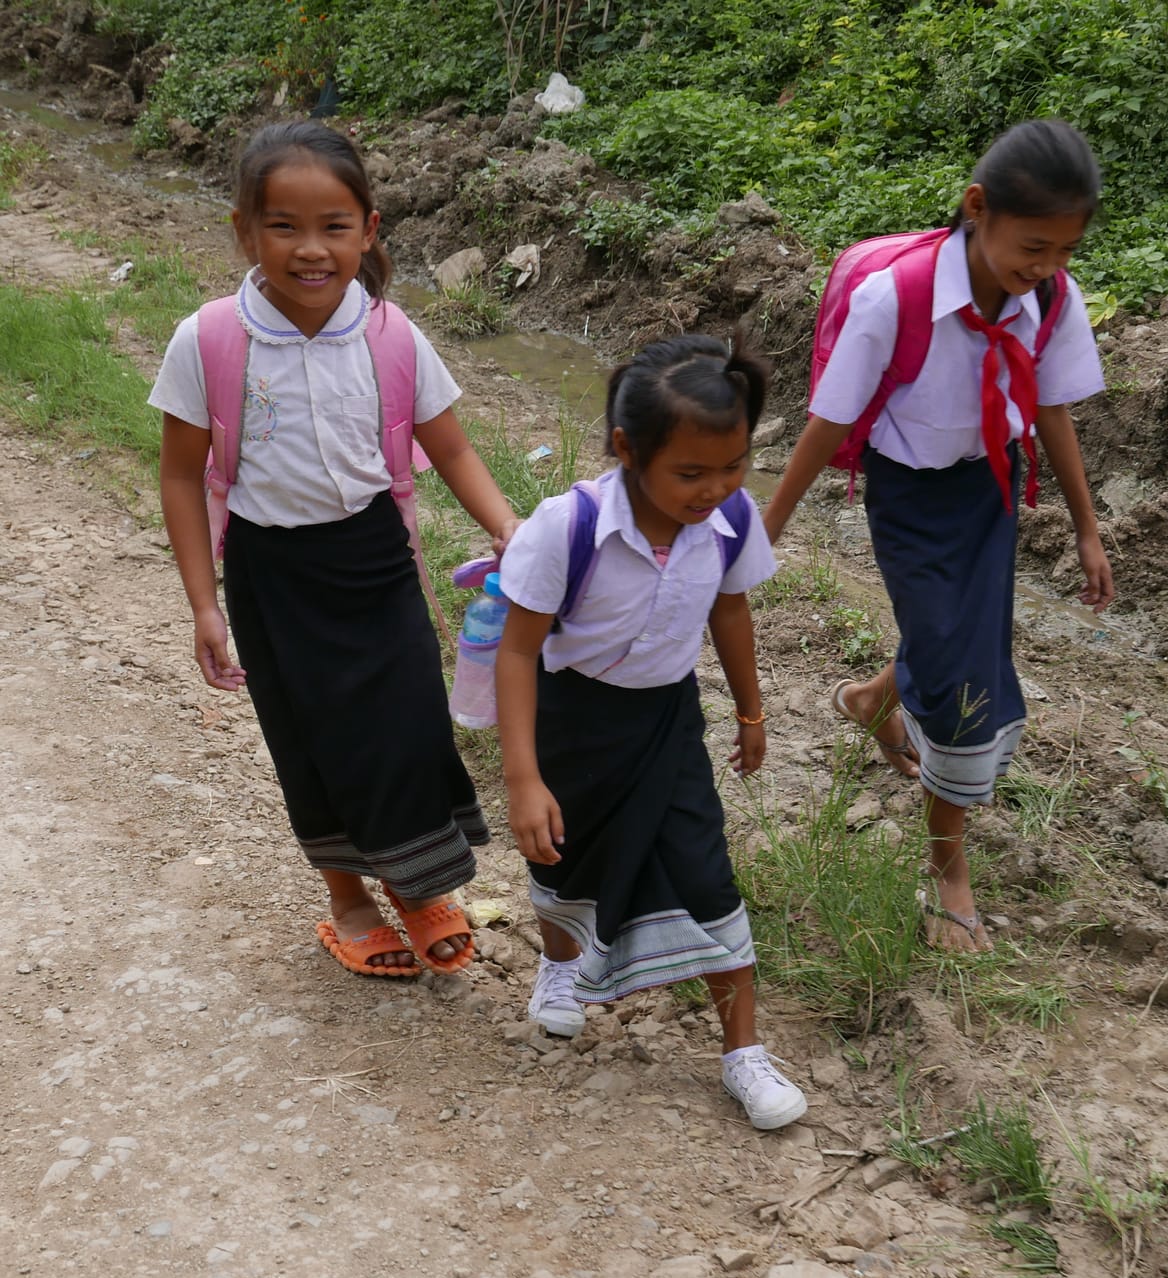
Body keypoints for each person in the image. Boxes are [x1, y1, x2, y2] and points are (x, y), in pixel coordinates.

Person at [153, 122, 518, 980]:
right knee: (309, 738)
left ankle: (418, 888)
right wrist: (206, 605)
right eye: (283, 226)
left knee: (406, 727)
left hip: (376, 560)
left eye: (333, 227)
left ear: (369, 229)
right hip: (271, 575)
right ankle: (349, 900)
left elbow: (453, 448)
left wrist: (510, 529)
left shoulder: (391, 335)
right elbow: (179, 476)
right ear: (245, 230)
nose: (309, 250)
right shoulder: (207, 341)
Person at [764, 119, 1114, 954]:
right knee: (963, 683)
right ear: (976, 207)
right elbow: (828, 422)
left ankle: (869, 699)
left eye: (1065, 250)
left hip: (991, 489)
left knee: (960, 644)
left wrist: (1088, 528)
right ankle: (947, 873)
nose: (1046, 267)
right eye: (1033, 245)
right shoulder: (899, 298)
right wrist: (762, 530)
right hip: (909, 500)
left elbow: (1054, 409)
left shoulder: (1052, 300)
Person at [493, 336, 807, 1132]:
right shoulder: (567, 527)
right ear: (629, 450)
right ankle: (559, 971)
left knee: (707, 873)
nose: (716, 490)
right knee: (566, 858)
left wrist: (751, 710)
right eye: (691, 474)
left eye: (733, 466)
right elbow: (520, 652)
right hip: (574, 719)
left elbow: (730, 610)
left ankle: (743, 1054)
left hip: (667, 721)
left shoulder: (731, 521)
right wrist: (524, 778)